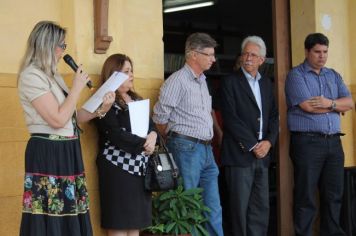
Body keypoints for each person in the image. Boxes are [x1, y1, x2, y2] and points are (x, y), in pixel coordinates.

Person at [17, 21, 114, 236]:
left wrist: (101, 108)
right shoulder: (31, 76)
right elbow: (57, 120)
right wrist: (77, 88)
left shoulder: (52, 75)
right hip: (48, 150)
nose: (63, 51)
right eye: (61, 45)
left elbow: (72, 117)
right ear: (47, 45)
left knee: (70, 210)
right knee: (50, 212)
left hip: (67, 149)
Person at [153, 32, 223, 236]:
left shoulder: (202, 80)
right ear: (193, 55)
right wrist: (175, 142)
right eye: (209, 54)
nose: (213, 59)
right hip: (186, 147)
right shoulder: (177, 81)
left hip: (206, 149)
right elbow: (159, 118)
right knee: (188, 208)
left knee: (213, 206)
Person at [285, 33, 354, 236]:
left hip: (333, 142)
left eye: (325, 52)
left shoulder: (333, 75)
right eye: (317, 51)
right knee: (306, 196)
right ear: (307, 52)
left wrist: (330, 103)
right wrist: (336, 106)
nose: (322, 56)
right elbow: (308, 106)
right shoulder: (296, 75)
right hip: (307, 143)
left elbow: (349, 103)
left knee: (334, 195)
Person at [220, 36, 279, 236]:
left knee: (260, 209)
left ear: (262, 60)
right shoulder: (229, 82)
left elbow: (273, 116)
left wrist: (269, 142)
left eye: (253, 55)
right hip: (240, 154)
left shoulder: (267, 84)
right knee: (238, 210)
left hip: (263, 155)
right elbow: (230, 118)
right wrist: (254, 145)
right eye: (245, 53)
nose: (248, 58)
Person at [95, 54, 157, 236]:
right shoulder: (105, 101)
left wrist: (152, 137)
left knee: (135, 225)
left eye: (132, 71)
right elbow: (115, 134)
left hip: (139, 169)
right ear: (113, 75)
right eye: (126, 71)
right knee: (120, 224)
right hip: (117, 169)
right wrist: (144, 143)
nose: (131, 75)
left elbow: (151, 126)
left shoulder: (137, 99)